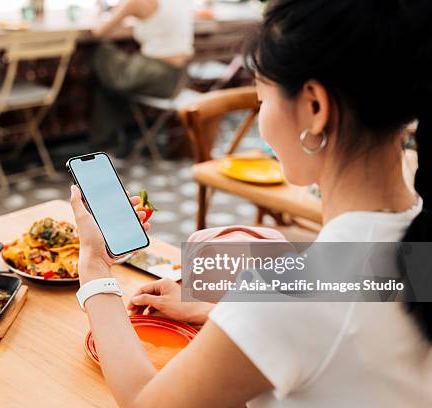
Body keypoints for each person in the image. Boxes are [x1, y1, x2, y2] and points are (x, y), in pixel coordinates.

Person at [69, 0, 432, 406]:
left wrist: (95, 268)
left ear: (315, 108)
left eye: (262, 99)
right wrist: (223, 315)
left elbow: (143, 400)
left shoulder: (289, 293)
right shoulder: (418, 245)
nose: (261, 118)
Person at [89, 0, 194, 150]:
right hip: (179, 78)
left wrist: (98, 11)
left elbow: (99, 31)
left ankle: (104, 145)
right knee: (109, 86)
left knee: (100, 52)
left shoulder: (135, 2)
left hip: (156, 75)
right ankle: (106, 144)